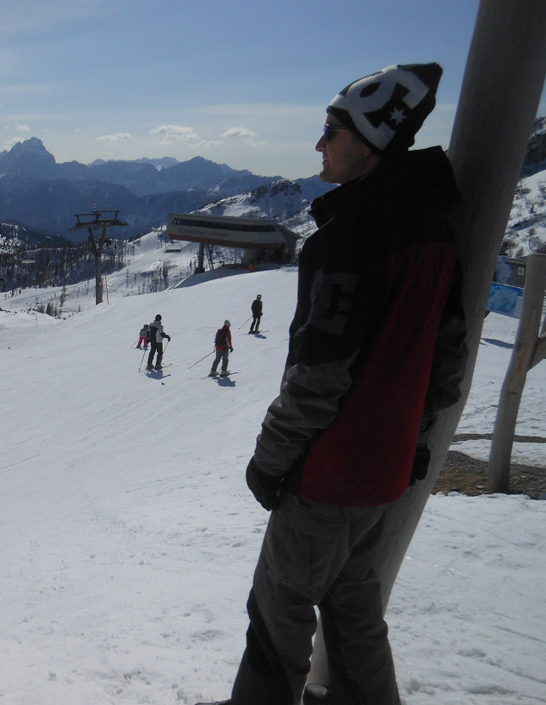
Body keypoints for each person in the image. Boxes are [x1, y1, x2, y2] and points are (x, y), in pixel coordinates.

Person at [209, 63, 468, 705]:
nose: (319, 145)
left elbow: (317, 379)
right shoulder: (436, 233)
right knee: (353, 614)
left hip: (328, 476)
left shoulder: (350, 238)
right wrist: (415, 447)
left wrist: (269, 463)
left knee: (278, 618)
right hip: (384, 476)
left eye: (331, 130)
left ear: (370, 141)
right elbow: (448, 365)